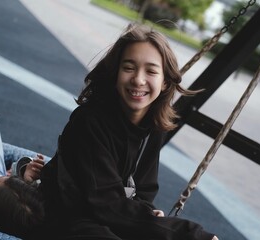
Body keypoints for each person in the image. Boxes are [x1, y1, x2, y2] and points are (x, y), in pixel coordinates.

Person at [38, 23, 219, 240]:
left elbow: (143, 191)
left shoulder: (153, 126)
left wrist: (148, 213)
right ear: (116, 74)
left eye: (151, 71)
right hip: (67, 215)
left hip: (104, 217)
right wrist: (190, 234)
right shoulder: (90, 122)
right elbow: (106, 203)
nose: (138, 80)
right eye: (129, 67)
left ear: (164, 82)